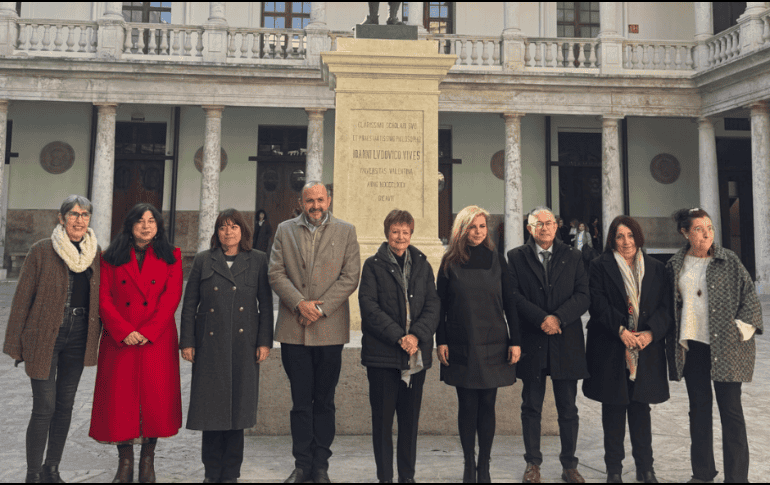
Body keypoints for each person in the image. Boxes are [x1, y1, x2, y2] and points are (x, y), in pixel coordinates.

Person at [3, 195, 101, 484]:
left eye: (85, 215)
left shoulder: (96, 254)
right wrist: (15, 344)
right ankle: (33, 473)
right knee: (44, 406)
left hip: (80, 334)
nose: (79, 220)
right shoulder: (42, 250)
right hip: (45, 335)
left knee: (65, 405)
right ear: (61, 218)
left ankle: (51, 469)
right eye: (73, 214)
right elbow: (22, 299)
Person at [268, 181, 361, 484]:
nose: (316, 205)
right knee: (299, 401)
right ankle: (301, 464)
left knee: (324, 400)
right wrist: (299, 304)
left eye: (320, 200)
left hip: (330, 330)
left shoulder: (346, 231)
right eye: (310, 201)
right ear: (301, 202)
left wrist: (320, 309)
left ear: (329, 200)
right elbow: (275, 272)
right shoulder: (285, 230)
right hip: (294, 331)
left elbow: (350, 276)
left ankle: (321, 465)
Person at [666, 208, 763, 483]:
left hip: (727, 347)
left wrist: (740, 330)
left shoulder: (728, 260)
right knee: (698, 409)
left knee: (731, 411)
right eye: (698, 228)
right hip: (693, 346)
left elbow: (750, 299)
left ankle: (737, 477)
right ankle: (702, 473)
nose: (707, 233)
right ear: (685, 232)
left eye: (709, 227)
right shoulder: (675, 265)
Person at [89, 203, 183, 484]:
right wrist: (123, 330)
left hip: (157, 338)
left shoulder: (172, 255)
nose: (146, 225)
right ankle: (125, 461)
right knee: (121, 403)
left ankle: (147, 461)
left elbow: (171, 297)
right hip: (120, 340)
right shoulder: (110, 256)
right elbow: (103, 298)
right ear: (130, 225)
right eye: (140, 220)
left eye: (151, 220)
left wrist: (148, 330)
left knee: (154, 402)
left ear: (158, 226)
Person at [181, 208, 274, 483]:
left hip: (244, 346)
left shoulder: (257, 260)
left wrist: (264, 342)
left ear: (243, 231)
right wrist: (187, 341)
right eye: (223, 227)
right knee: (210, 412)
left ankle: (231, 473)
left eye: (233, 227)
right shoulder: (203, 260)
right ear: (216, 232)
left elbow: (266, 305)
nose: (228, 232)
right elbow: (189, 304)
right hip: (209, 347)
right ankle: (211, 473)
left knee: (237, 413)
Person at [582, 216, 673, 484]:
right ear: (612, 239)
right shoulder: (600, 265)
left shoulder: (657, 268)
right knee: (613, 410)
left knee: (640, 410)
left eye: (630, 236)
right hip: (612, 347)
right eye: (620, 236)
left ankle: (646, 469)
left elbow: (666, 308)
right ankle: (614, 470)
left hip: (645, 350)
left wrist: (650, 333)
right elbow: (596, 303)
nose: (626, 242)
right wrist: (621, 331)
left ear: (638, 237)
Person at [436, 205, 521, 483]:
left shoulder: (498, 260)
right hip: (462, 341)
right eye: (472, 227)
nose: (478, 232)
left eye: (482, 227)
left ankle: (484, 464)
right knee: (467, 405)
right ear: (462, 229)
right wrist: (442, 340)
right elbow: (440, 306)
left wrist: (515, 341)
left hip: (494, 340)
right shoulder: (449, 262)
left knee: (487, 403)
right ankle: (468, 463)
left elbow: (511, 303)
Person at [507, 207, 590, 484]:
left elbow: (583, 296)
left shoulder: (574, 256)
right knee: (531, 406)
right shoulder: (516, 257)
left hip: (565, 340)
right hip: (533, 340)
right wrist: (541, 318)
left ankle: (569, 465)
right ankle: (533, 463)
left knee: (568, 408)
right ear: (529, 228)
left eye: (549, 223)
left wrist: (557, 318)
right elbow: (514, 296)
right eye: (538, 224)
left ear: (557, 226)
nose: (545, 228)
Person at [358, 209, 440, 484]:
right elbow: (369, 307)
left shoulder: (422, 264)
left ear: (411, 233)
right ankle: (385, 478)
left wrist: (416, 335)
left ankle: (407, 477)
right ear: (387, 233)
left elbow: (432, 304)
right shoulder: (372, 265)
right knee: (382, 425)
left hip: (415, 357)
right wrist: (399, 337)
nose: (400, 237)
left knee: (409, 423)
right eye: (395, 231)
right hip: (383, 357)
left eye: (405, 232)